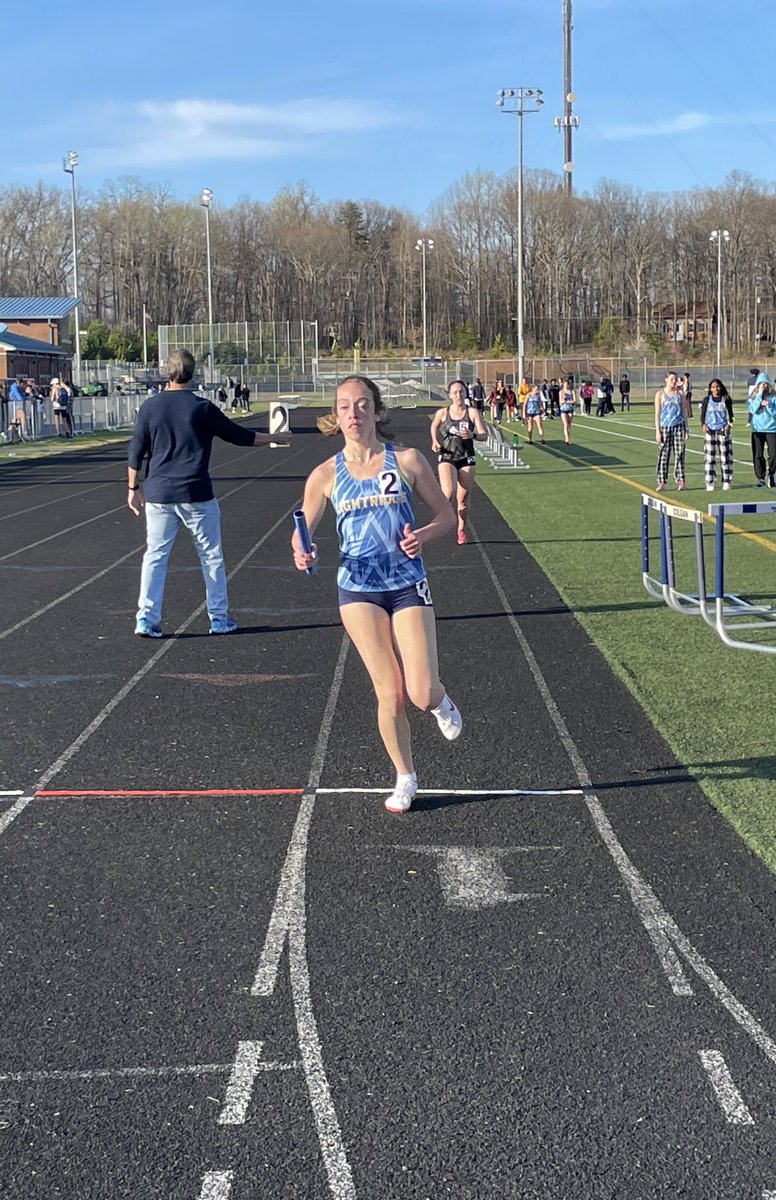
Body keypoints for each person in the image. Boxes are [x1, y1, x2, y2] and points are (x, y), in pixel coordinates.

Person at [292, 374, 461, 815]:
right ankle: (405, 777)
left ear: (377, 410)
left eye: (362, 404)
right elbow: (303, 531)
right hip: (358, 589)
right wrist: (303, 551)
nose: (354, 413)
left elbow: (445, 516)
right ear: (336, 414)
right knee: (389, 693)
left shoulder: (406, 461)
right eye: (345, 406)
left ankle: (441, 701)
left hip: (406, 583)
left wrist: (421, 536)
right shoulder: (325, 475)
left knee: (421, 693)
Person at [127, 348, 289, 638]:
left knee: (155, 557)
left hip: (159, 495)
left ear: (167, 373)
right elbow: (239, 436)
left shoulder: (150, 407)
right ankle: (218, 618)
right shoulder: (202, 408)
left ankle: (146, 619)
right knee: (211, 556)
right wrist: (274, 438)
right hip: (196, 493)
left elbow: (136, 450)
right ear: (193, 374)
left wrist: (132, 488)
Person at [430, 379, 488, 545]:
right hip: (448, 454)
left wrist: (473, 435)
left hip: (466, 456)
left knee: (462, 499)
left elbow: (484, 435)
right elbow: (434, 426)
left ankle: (461, 529)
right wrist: (434, 441)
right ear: (450, 395)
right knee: (448, 492)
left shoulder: (472, 413)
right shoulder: (443, 413)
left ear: (465, 393)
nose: (458, 395)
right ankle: (438, 524)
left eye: (461, 392)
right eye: (455, 392)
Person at [654, 369, 690, 492]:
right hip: (665, 427)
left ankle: (681, 481)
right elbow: (657, 414)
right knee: (664, 455)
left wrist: (686, 429)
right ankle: (662, 481)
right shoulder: (660, 394)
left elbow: (684, 412)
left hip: (679, 426)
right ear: (666, 380)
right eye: (671, 379)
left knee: (680, 454)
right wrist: (657, 431)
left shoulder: (680, 395)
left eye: (675, 379)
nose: (674, 381)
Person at [701, 378, 734, 492]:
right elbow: (703, 414)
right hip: (710, 430)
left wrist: (729, 425)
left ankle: (727, 481)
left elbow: (731, 415)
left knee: (726, 458)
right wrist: (703, 425)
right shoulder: (707, 400)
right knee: (710, 458)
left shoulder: (726, 399)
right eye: (714, 387)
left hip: (723, 430)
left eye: (718, 386)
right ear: (710, 389)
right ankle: (710, 482)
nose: (716, 389)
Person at [748, 372, 776, 488]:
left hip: (772, 429)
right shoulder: (753, 397)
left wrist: (768, 406)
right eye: (761, 384)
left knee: (773, 454)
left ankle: (771, 474)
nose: (763, 386)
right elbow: (752, 409)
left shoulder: (774, 397)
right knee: (758, 454)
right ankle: (761, 478)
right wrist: (759, 396)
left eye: (765, 384)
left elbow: (774, 413)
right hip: (757, 430)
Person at [559, 377, 576, 445]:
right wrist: (564, 399)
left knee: (569, 425)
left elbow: (574, 401)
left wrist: (568, 401)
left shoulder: (572, 391)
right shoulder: (561, 392)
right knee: (565, 424)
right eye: (564, 385)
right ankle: (566, 438)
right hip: (563, 409)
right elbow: (561, 401)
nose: (566, 386)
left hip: (570, 409)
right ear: (563, 385)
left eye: (567, 385)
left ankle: (569, 437)